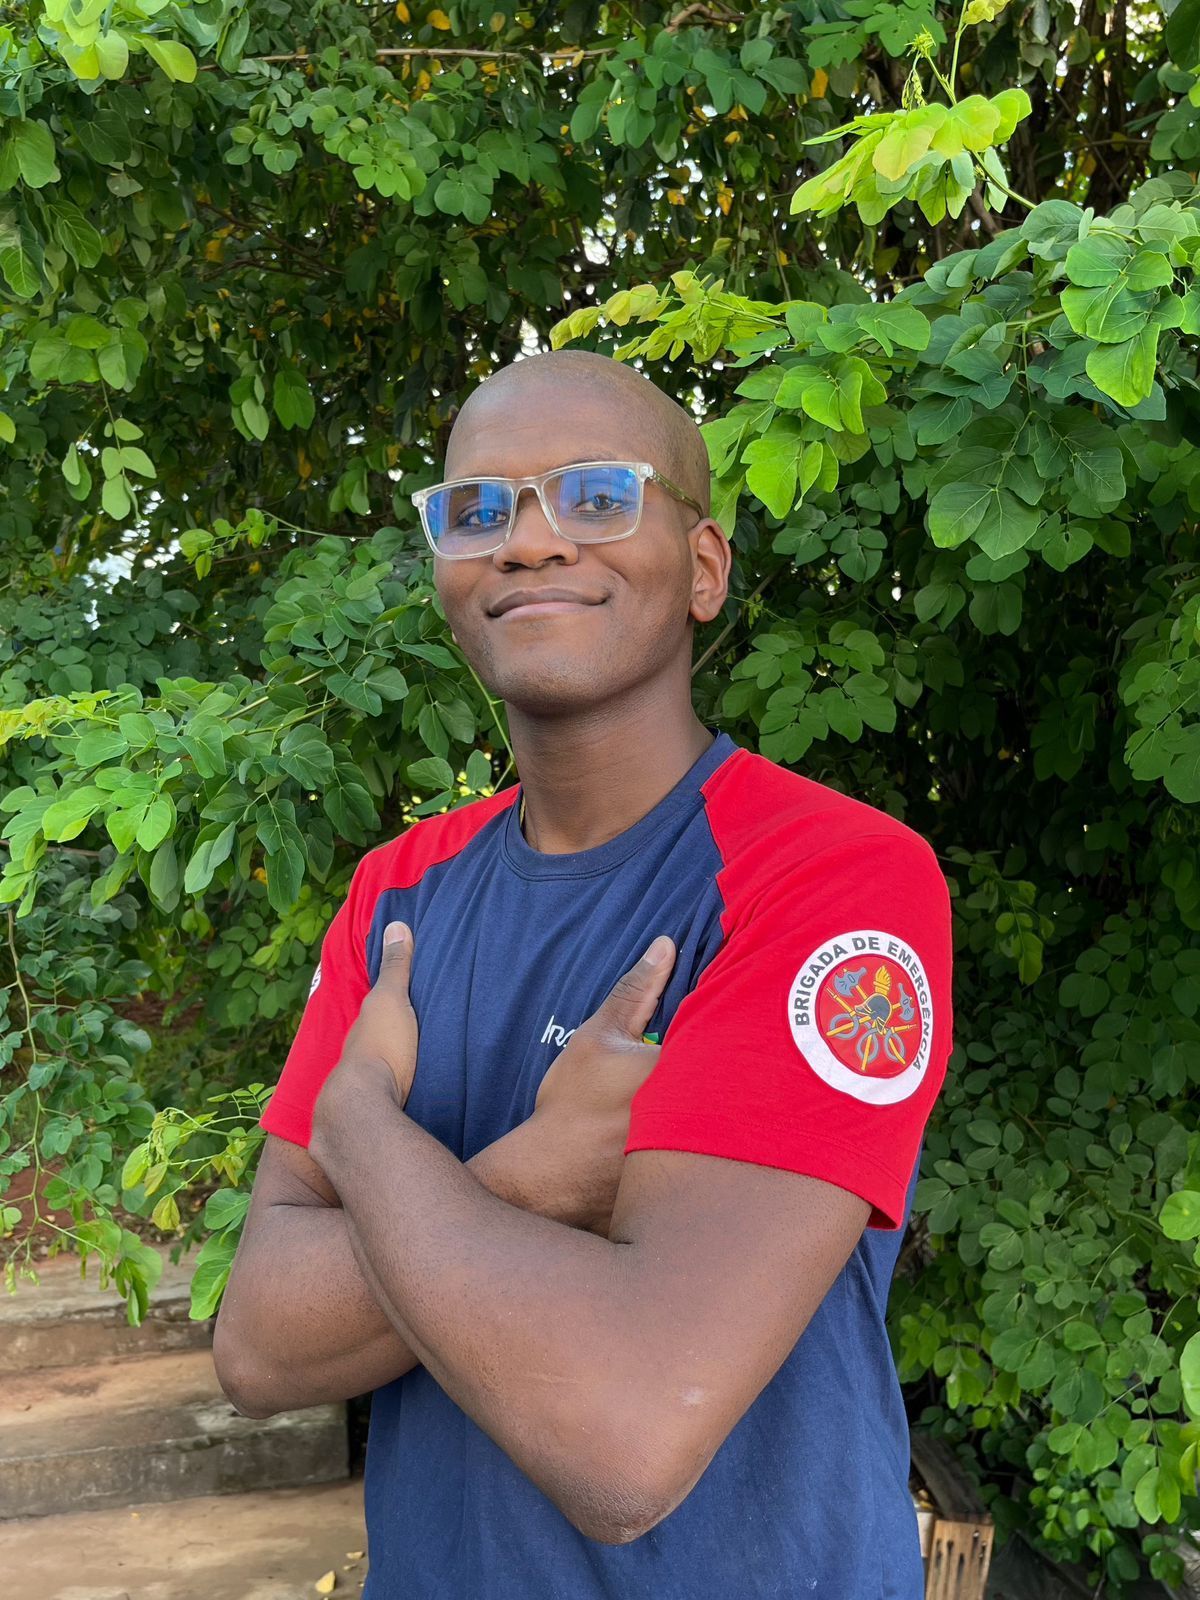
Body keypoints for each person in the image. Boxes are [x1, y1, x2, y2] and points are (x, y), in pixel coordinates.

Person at [213, 348, 953, 1599]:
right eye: (480, 510)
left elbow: (624, 1434)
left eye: (597, 496)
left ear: (704, 567)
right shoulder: (397, 894)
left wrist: (361, 1126)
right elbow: (258, 1346)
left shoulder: (827, 876)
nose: (531, 541)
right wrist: (534, 1175)